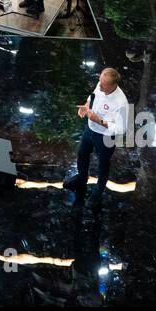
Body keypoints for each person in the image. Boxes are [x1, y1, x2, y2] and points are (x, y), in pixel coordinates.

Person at [64, 67, 128, 211]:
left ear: (113, 85)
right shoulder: (100, 86)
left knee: (103, 165)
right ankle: (81, 179)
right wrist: (86, 108)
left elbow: (121, 129)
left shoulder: (121, 103)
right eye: (99, 81)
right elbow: (92, 96)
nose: (99, 85)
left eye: (103, 83)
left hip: (105, 137)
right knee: (82, 154)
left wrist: (99, 120)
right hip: (90, 130)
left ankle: (98, 191)